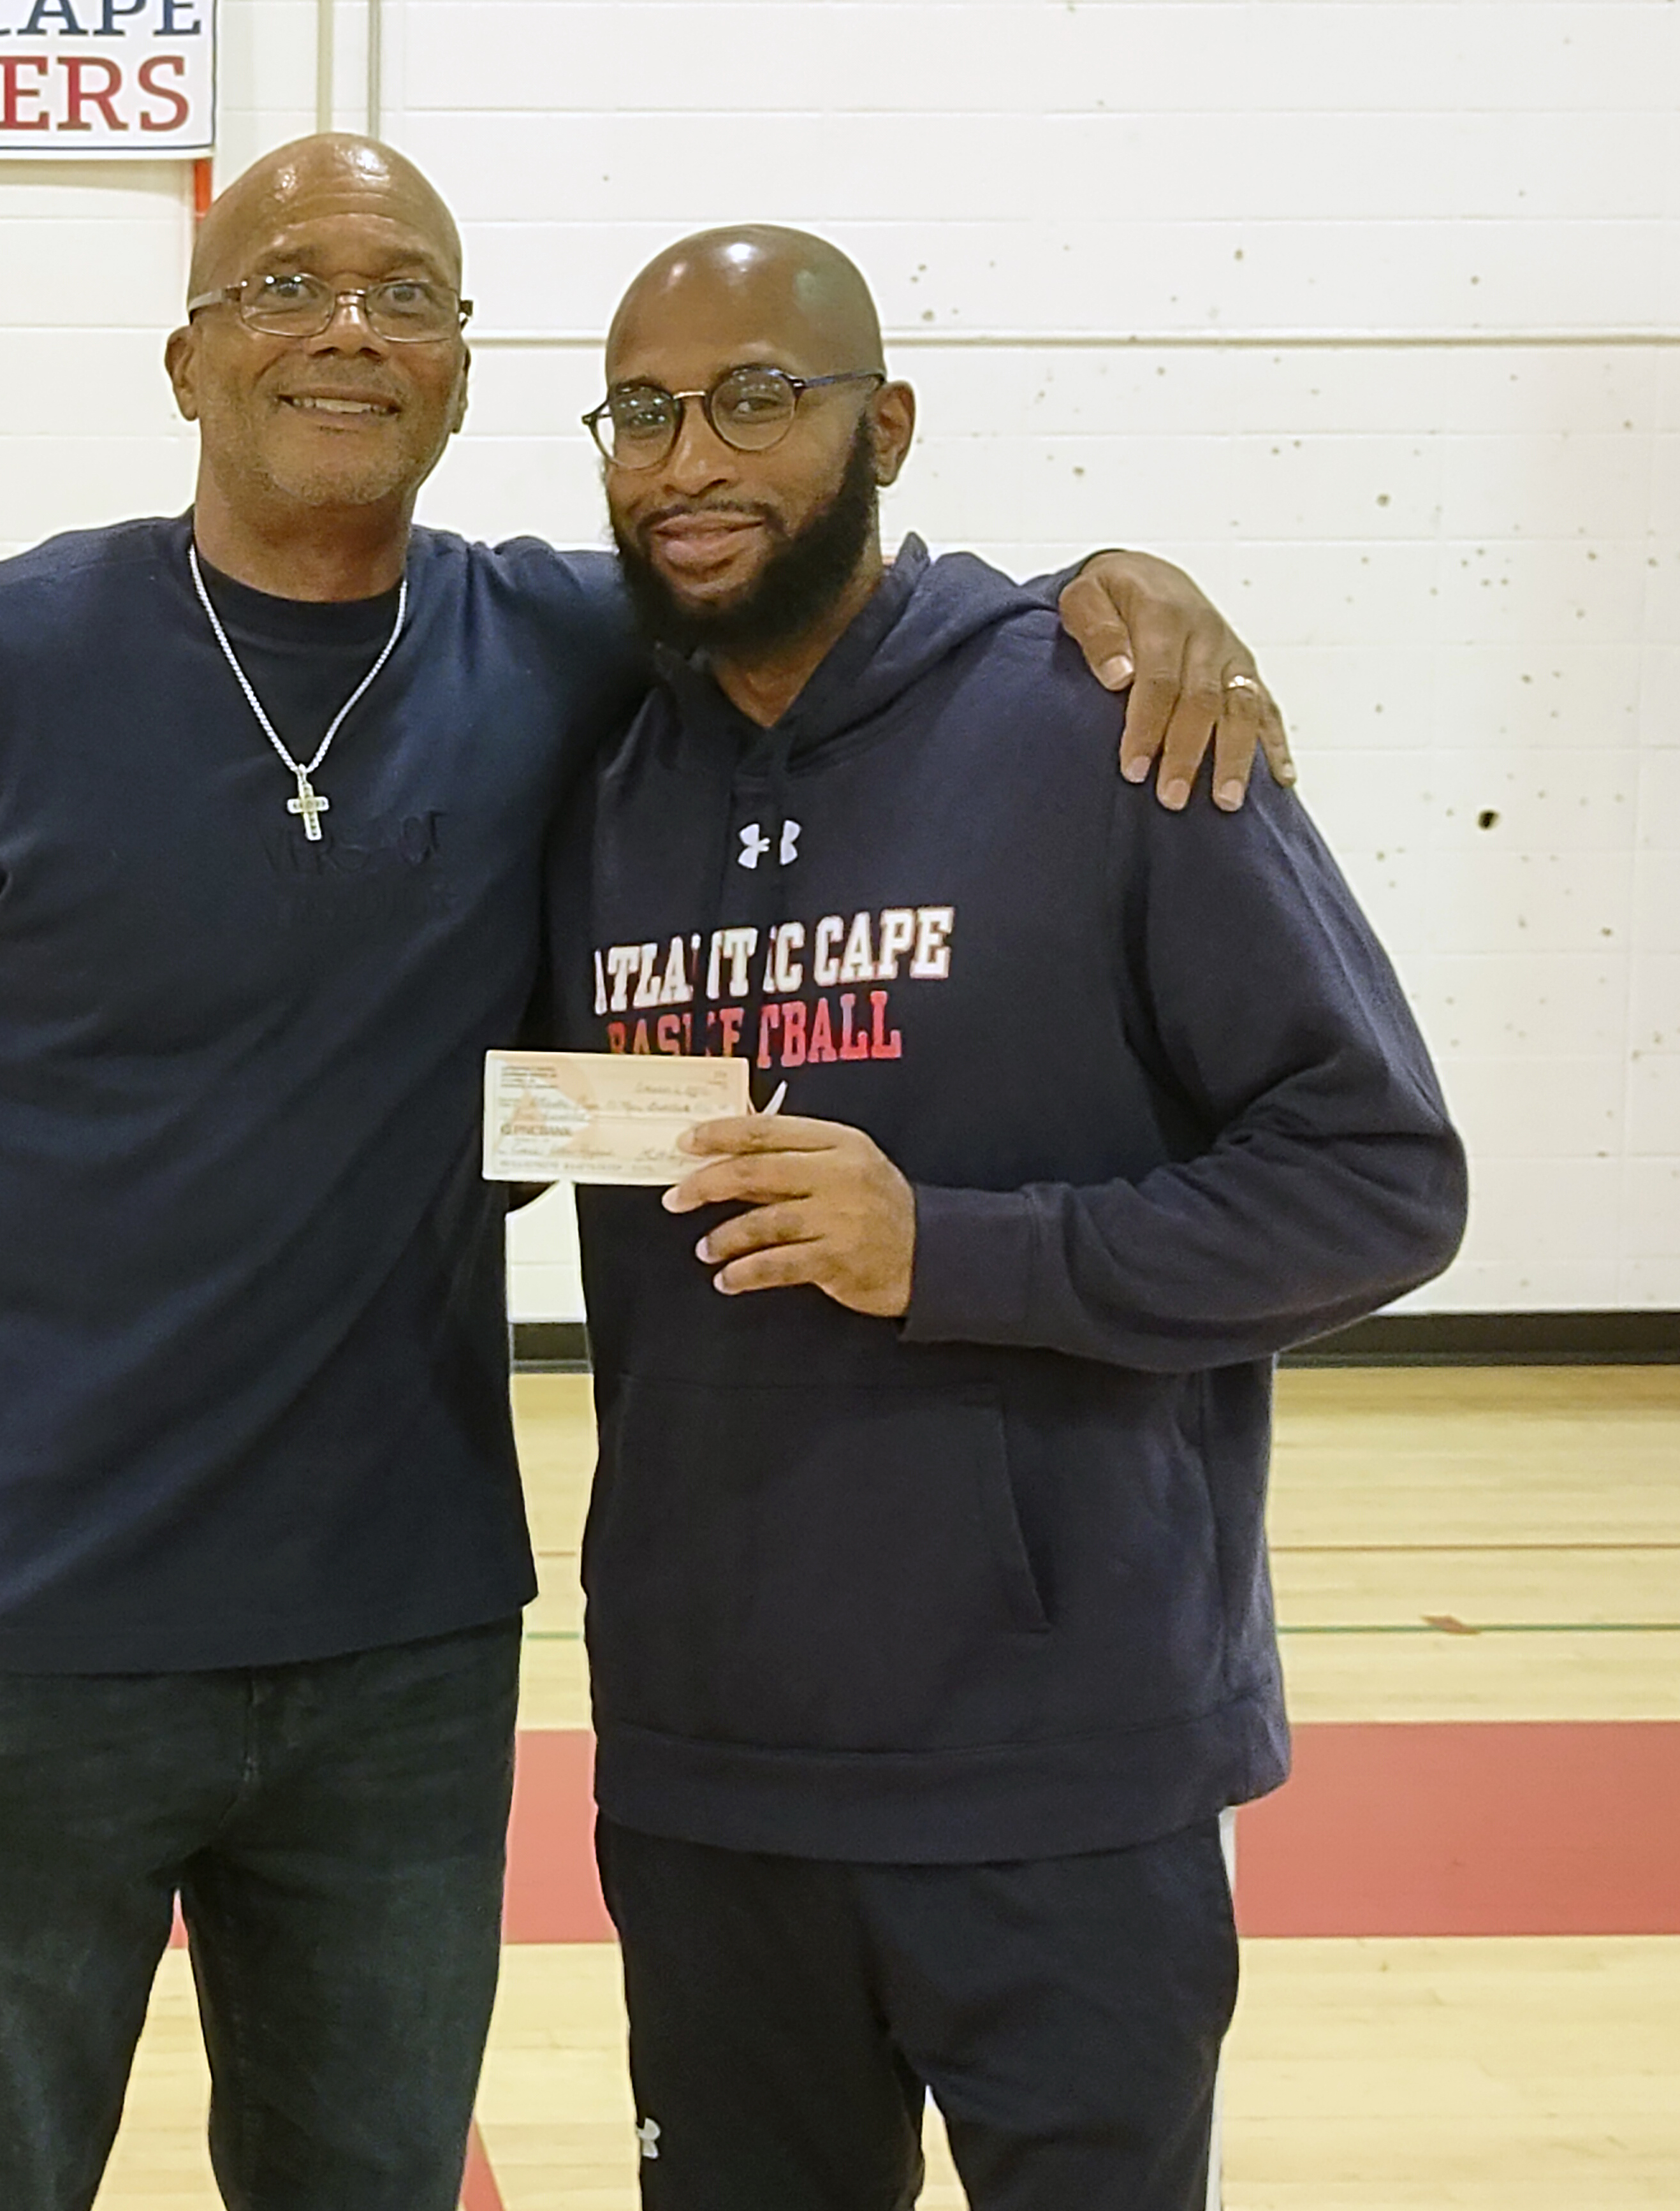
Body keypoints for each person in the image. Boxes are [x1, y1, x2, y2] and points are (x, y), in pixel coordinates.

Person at [0, 136, 1281, 2211]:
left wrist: (1104, 599)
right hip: (23, 1633)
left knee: (367, 2179)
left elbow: (831, 586)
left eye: (406, 290)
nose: (348, 325)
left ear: (461, 364)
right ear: (185, 358)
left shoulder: (567, 647)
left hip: (402, 1643)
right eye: (286, 285)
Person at [543, 225, 1468, 2210]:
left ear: (884, 425)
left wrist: (950, 1249)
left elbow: (1380, 1176)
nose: (690, 456)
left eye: (756, 400)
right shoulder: (598, 777)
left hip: (1063, 1767)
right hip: (710, 1774)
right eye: (641, 409)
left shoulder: (1101, 723)